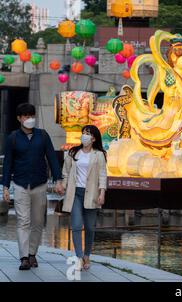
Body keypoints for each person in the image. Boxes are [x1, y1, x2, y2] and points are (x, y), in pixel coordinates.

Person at [2, 103, 64, 270]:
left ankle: (32, 254)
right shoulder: (13, 138)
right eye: (26, 116)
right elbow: (7, 163)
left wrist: (58, 179)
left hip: (40, 184)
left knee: (37, 222)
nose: (30, 119)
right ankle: (23, 257)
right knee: (23, 221)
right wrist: (5, 187)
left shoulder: (43, 136)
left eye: (32, 116)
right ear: (19, 118)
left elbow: (52, 159)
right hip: (21, 184)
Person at [60, 125, 107, 271]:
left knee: (90, 227)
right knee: (75, 225)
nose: (84, 136)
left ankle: (87, 254)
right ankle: (79, 257)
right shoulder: (73, 152)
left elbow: (102, 175)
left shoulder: (99, 154)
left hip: (92, 194)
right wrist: (63, 184)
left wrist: (102, 193)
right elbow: (66, 171)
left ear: (93, 138)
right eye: (83, 133)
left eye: (87, 134)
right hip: (75, 194)